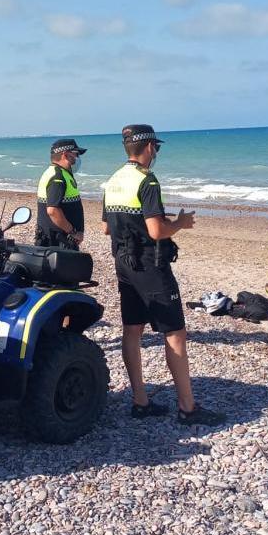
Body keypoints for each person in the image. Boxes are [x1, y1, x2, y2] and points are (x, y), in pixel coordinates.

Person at [102, 123, 225, 426]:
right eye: (155, 147)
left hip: (123, 261)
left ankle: (140, 401)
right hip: (149, 264)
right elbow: (156, 230)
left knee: (132, 330)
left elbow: (107, 227)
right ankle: (187, 407)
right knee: (175, 333)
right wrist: (180, 223)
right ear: (148, 148)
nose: (156, 153)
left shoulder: (114, 180)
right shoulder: (148, 181)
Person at [36, 138, 87, 250]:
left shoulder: (58, 173)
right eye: (76, 154)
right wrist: (72, 232)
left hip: (58, 239)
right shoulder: (57, 177)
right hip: (58, 241)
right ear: (65, 155)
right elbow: (52, 210)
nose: (77, 158)